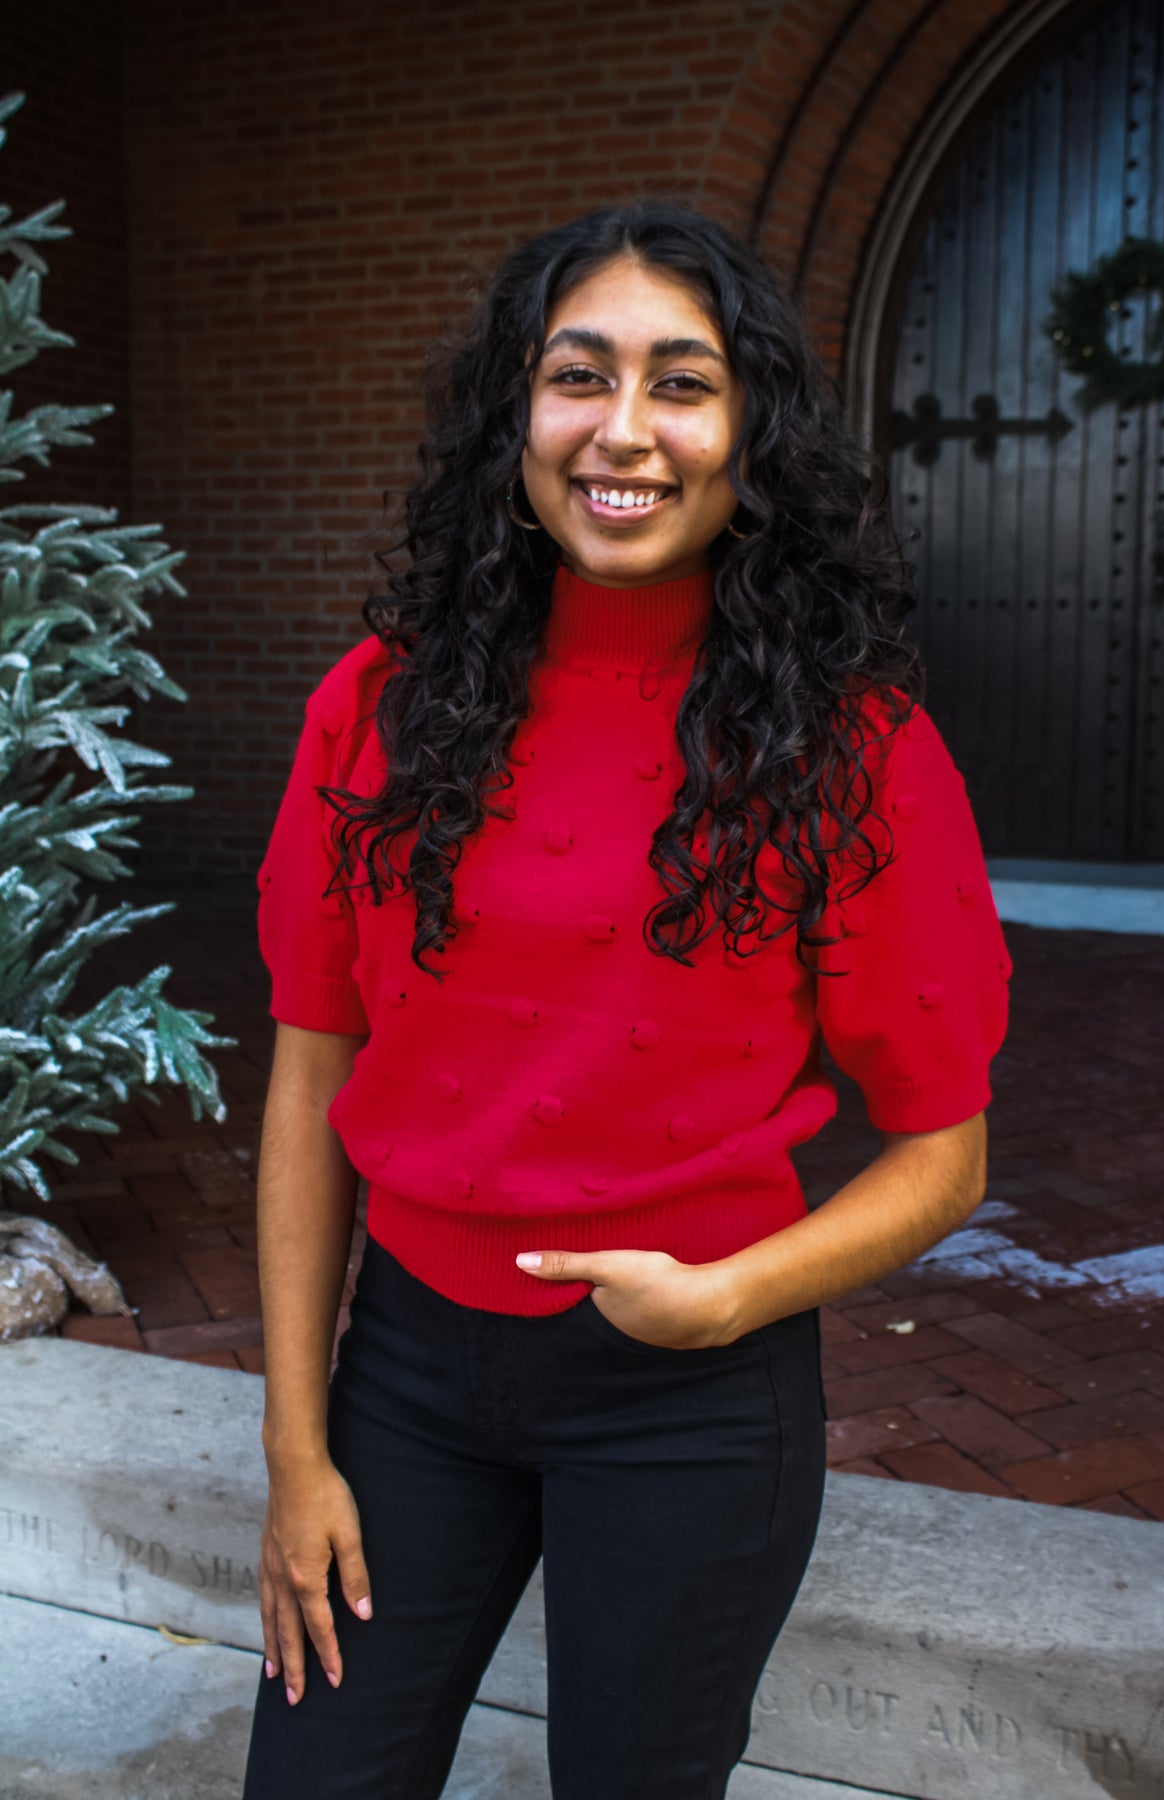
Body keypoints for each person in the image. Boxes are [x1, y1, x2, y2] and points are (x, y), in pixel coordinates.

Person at [240, 199, 1010, 1800]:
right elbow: (313, 1083)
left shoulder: (849, 752)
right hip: (406, 1379)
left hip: (693, 1398)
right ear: (514, 415)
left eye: (684, 382)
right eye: (580, 375)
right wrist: (294, 1451)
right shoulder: (378, 706)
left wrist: (728, 1297)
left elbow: (946, 1154)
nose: (626, 431)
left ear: (752, 434)